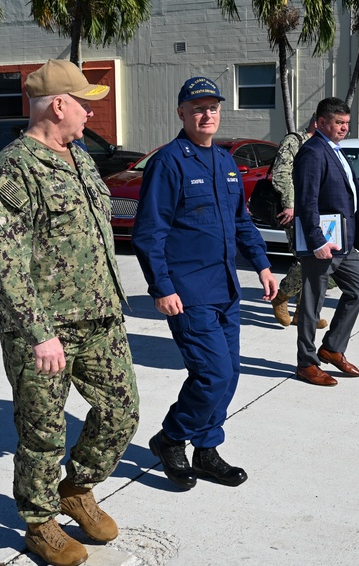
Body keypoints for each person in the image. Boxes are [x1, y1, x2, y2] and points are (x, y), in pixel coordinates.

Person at [0, 59, 139, 566]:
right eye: (85, 103)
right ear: (59, 105)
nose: (91, 112)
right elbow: (1, 263)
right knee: (43, 434)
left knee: (122, 413)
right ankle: (40, 521)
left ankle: (77, 487)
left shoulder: (79, 156)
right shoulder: (15, 167)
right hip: (44, 332)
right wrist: (39, 332)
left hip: (100, 318)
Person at [132, 76, 277, 490]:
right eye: (197, 108)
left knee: (229, 374)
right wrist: (161, 287)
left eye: (212, 106)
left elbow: (241, 222)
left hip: (226, 289)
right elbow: (149, 232)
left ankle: (207, 448)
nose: (206, 114)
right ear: (181, 113)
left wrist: (264, 266)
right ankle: (171, 438)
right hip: (189, 292)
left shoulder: (226, 162)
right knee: (211, 373)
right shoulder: (169, 162)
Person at [292, 97, 359, 387]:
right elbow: (306, 201)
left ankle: (332, 347)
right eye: (338, 123)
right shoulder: (312, 152)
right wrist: (316, 241)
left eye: (347, 123)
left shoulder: (335, 151)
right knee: (312, 305)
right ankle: (306, 363)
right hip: (322, 244)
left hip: (344, 242)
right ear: (321, 122)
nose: (343, 128)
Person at [268, 115, 329, 329]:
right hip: (297, 212)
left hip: (319, 212)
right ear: (318, 122)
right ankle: (282, 296)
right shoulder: (295, 141)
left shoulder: (325, 146)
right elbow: (281, 172)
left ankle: (303, 313)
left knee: (321, 263)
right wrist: (289, 203)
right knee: (304, 261)